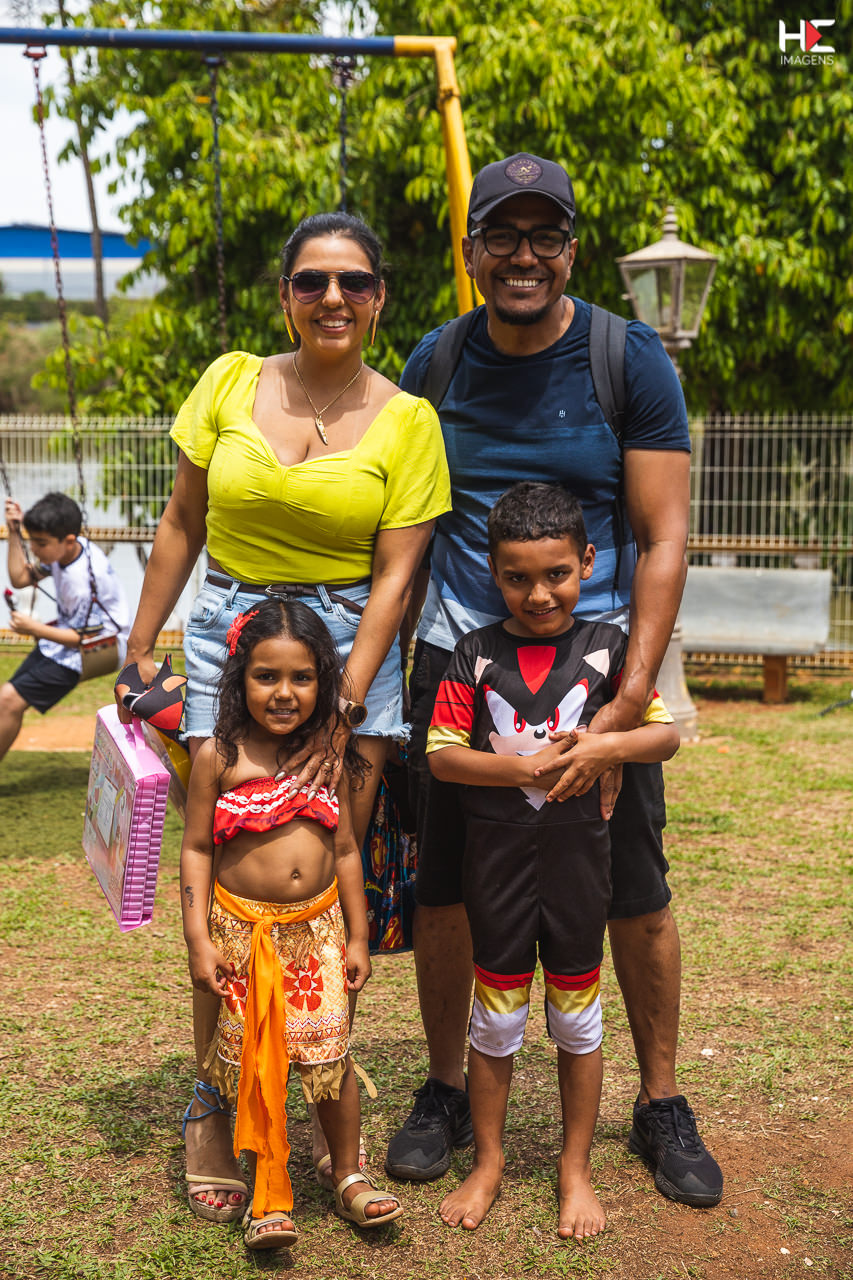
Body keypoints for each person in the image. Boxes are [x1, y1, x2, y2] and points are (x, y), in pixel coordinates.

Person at [385, 153, 724, 1209]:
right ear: (473, 250)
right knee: (446, 884)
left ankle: (659, 1099)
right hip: (458, 654)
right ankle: (447, 1087)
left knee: (632, 885)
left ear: (571, 249)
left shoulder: (627, 360)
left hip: (598, 665)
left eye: (544, 236)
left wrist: (623, 702)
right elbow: (402, 526)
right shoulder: (437, 359)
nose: (522, 255)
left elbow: (663, 536)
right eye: (503, 235)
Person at [115, 211, 450, 1222]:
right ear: (285, 295)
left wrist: (344, 704)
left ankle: (329, 1112)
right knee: (228, 876)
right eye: (311, 280)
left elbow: (398, 573)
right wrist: (139, 643)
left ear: (379, 296)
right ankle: (214, 1106)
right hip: (229, 645)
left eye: (353, 281)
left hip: (350, 656)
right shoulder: (227, 381)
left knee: (321, 879)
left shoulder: (408, 419)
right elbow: (183, 520)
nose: (332, 297)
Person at [427, 482, 679, 1237]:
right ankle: (488, 1163)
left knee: (577, 1019)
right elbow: (441, 755)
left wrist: (607, 746)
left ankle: (575, 1169)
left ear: (587, 563)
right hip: (496, 874)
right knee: (495, 1021)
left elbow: (663, 736)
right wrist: (520, 769)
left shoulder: (609, 651)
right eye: (517, 577)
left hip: (579, 873)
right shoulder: (472, 655)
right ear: (491, 571)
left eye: (557, 574)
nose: (538, 594)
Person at [180, 598, 404, 1248]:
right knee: (258, 1064)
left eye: (302, 678)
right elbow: (195, 849)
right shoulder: (219, 757)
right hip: (241, 936)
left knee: (330, 1057)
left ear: (324, 682)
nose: (284, 693)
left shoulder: (327, 760)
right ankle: (267, 1196)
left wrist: (358, 936)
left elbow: (346, 850)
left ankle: (349, 1174)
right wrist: (197, 938)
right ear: (238, 679)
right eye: (266, 677)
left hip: (318, 935)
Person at [1, 492, 129, 761]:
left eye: (41, 543)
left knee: (9, 700)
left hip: (97, 649)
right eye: (32, 540)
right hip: (64, 642)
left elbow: (83, 639)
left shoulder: (82, 581)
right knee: (6, 700)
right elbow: (20, 578)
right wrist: (13, 531)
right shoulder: (65, 553)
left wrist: (33, 628)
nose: (34, 549)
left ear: (69, 540)